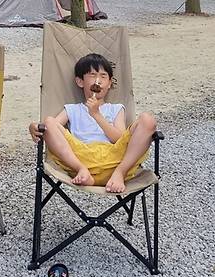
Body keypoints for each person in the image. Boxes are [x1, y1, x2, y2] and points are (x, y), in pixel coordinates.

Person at [29, 53, 157, 194]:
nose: (98, 81)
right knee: (48, 122)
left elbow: (119, 139)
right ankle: (81, 170)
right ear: (80, 81)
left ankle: (120, 173)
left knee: (147, 120)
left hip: (115, 161)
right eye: (92, 75)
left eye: (103, 76)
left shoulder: (115, 109)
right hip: (81, 158)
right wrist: (34, 127)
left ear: (109, 84)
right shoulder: (73, 109)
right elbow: (51, 129)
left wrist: (96, 115)